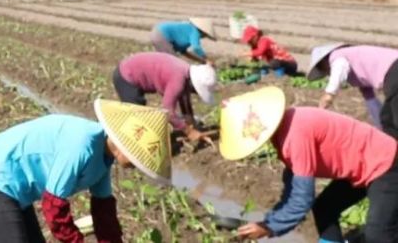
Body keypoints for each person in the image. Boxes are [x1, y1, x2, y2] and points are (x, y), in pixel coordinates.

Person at [0, 100, 172, 242]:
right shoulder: (82, 145)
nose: (137, 165)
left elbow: (105, 216)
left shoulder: (104, 159)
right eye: (137, 158)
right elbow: (53, 206)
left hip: (18, 187)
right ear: (124, 143)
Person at [219, 86, 398, 242]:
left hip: (386, 164)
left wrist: (270, 227)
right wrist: (268, 222)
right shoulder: (284, 129)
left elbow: (302, 198)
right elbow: (293, 187)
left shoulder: (294, 135)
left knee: (379, 235)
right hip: (362, 166)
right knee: (325, 208)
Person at [112, 52, 217, 143]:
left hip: (131, 69)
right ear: (193, 85)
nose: (194, 93)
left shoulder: (185, 72)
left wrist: (191, 122)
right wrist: (189, 131)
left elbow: (185, 99)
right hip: (126, 76)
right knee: (137, 119)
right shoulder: (178, 80)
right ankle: (129, 148)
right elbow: (168, 112)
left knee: (141, 117)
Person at [308, 43, 398, 137]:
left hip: (395, 70)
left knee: (393, 119)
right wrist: (381, 131)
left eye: (323, 68)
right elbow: (373, 105)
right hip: (394, 73)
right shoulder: (362, 78)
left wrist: (329, 94)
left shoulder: (337, 55)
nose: (328, 73)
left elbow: (339, 67)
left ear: (324, 61)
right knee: (388, 119)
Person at [149, 18, 215, 63]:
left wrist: (202, 61)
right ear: (203, 32)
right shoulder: (194, 31)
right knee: (172, 62)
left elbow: (184, 53)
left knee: (166, 60)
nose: (203, 37)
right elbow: (196, 48)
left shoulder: (187, 32)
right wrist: (207, 59)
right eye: (205, 35)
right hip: (162, 34)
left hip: (157, 33)